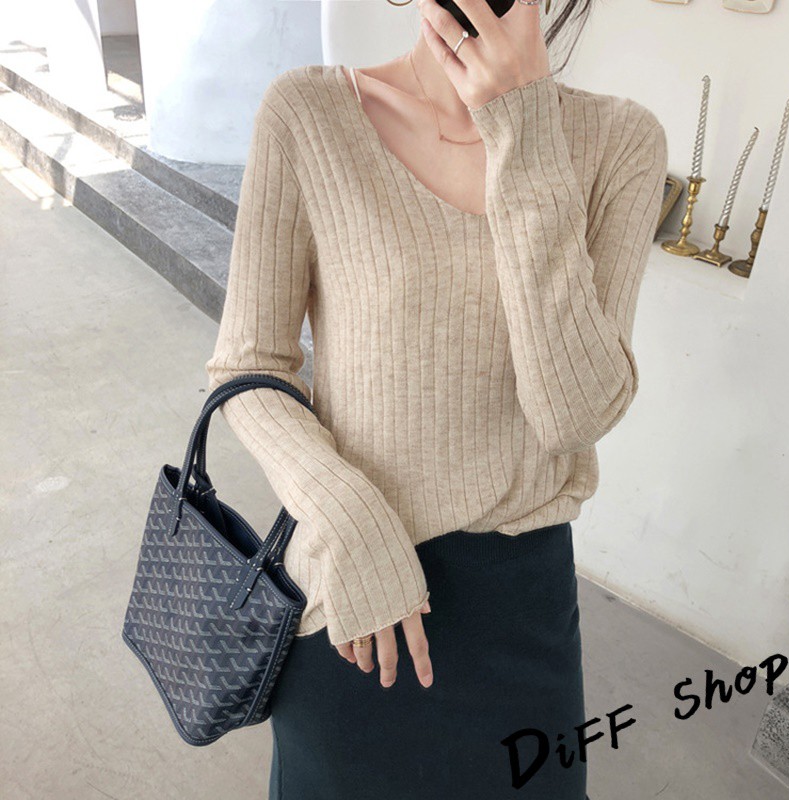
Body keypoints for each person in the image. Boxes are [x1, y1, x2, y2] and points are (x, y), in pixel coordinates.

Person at [204, 0, 668, 796]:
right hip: (351, 599)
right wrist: (347, 513)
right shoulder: (308, 113)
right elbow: (248, 366)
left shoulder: (619, 141)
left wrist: (522, 130)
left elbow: (573, 415)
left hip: (518, 610)